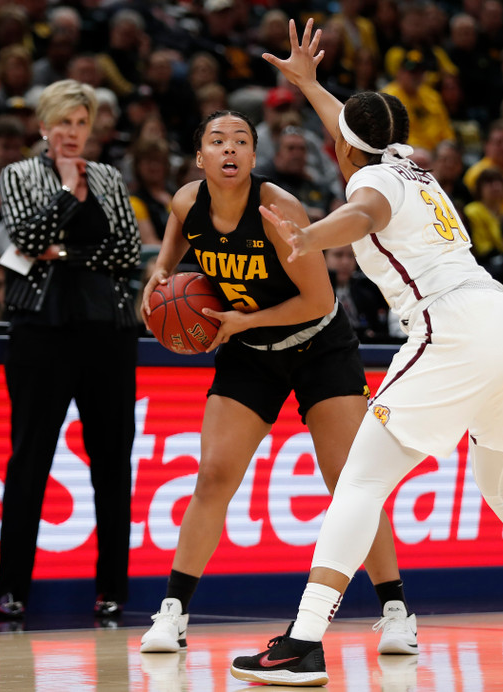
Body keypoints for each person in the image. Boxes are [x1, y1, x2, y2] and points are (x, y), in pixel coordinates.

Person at [230, 20, 503, 686]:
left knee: (359, 483)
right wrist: (311, 86)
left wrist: (309, 237)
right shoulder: (403, 162)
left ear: (345, 148)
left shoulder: (372, 186)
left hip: (455, 329)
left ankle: (302, 642)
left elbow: (361, 216)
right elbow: (352, 130)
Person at [138, 107, 415, 656]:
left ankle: (396, 611)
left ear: (253, 156)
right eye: (217, 141)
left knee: (350, 483)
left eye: (241, 140)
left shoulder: (277, 208)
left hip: (318, 344)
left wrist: (243, 320)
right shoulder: (186, 201)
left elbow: (320, 299)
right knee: (214, 475)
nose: (230, 149)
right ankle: (172, 613)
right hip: (249, 352)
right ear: (200, 158)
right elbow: (171, 248)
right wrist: (161, 275)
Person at [0, 80, 141, 621]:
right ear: (43, 126)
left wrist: (63, 252)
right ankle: (12, 590)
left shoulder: (109, 176)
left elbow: (127, 249)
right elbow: (27, 239)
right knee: (30, 458)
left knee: (111, 461)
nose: (72, 133)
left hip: (109, 328)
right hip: (42, 327)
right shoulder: (19, 173)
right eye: (63, 122)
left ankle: (112, 590)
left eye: (81, 122)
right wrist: (64, 192)